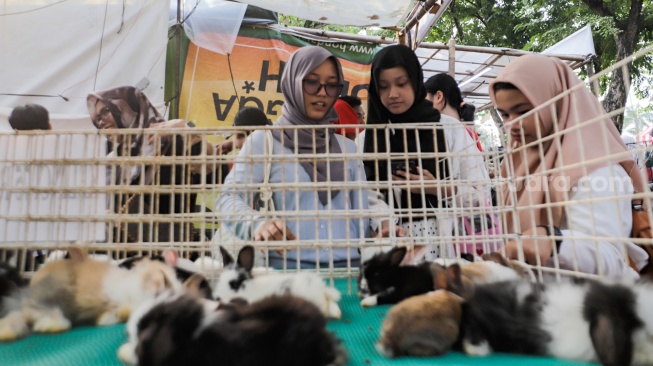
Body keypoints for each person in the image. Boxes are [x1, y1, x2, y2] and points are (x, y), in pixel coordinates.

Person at [491, 53, 649, 277]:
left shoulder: (596, 166)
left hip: (595, 305)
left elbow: (609, 257)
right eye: (505, 115)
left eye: (524, 111)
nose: (511, 125)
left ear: (556, 102)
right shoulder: (519, 162)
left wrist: (553, 241)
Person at [218, 46, 370, 269]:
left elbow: (362, 213)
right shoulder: (266, 142)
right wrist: (257, 224)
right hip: (289, 277)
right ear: (293, 82)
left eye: (331, 85)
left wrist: (382, 225)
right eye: (311, 81)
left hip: (347, 274)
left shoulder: (347, 148)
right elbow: (228, 198)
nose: (322, 92)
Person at [363, 44, 490, 260]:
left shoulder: (449, 130)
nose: (393, 94)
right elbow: (366, 197)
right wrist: (385, 223)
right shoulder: (369, 139)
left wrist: (439, 188)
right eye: (383, 87)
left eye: (401, 84)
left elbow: (482, 193)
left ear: (414, 81)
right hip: (393, 252)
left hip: (447, 247)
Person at [87, 86, 215, 243]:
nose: (101, 121)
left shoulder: (170, 141)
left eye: (106, 110)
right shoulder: (113, 160)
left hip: (171, 250)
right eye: (97, 117)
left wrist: (185, 130)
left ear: (130, 106)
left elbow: (213, 173)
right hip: (125, 252)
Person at [425, 73, 483, 152]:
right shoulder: (468, 131)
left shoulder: (444, 131)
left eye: (426, 101)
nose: (424, 107)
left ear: (439, 96)